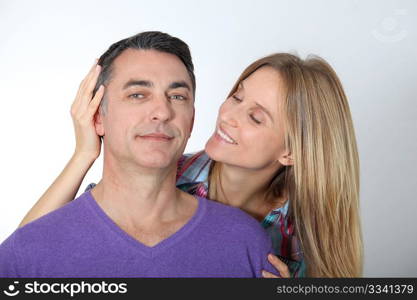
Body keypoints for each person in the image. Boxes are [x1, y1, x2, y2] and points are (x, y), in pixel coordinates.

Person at [17, 39, 363, 278]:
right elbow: (32, 254)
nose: (228, 115)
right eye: (237, 97)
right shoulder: (166, 171)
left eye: (256, 117)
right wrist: (84, 154)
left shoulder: (301, 236)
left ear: (291, 151)